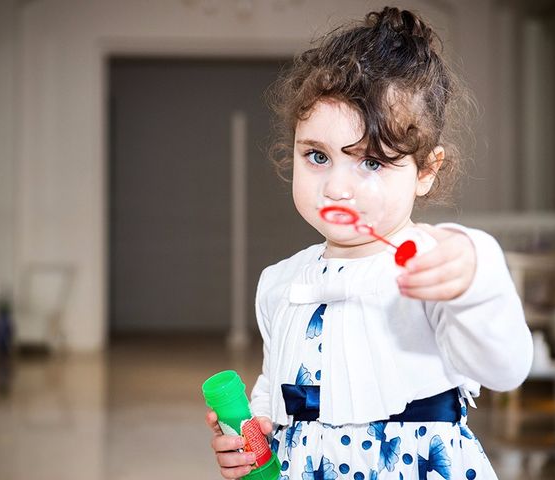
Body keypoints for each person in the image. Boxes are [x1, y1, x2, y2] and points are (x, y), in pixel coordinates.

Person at [206, 6, 533, 479]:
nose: (338, 188)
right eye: (318, 156)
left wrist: (476, 279)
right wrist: (257, 428)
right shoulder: (280, 283)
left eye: (372, 162)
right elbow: (278, 384)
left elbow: (506, 368)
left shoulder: (432, 267)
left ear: (425, 170)